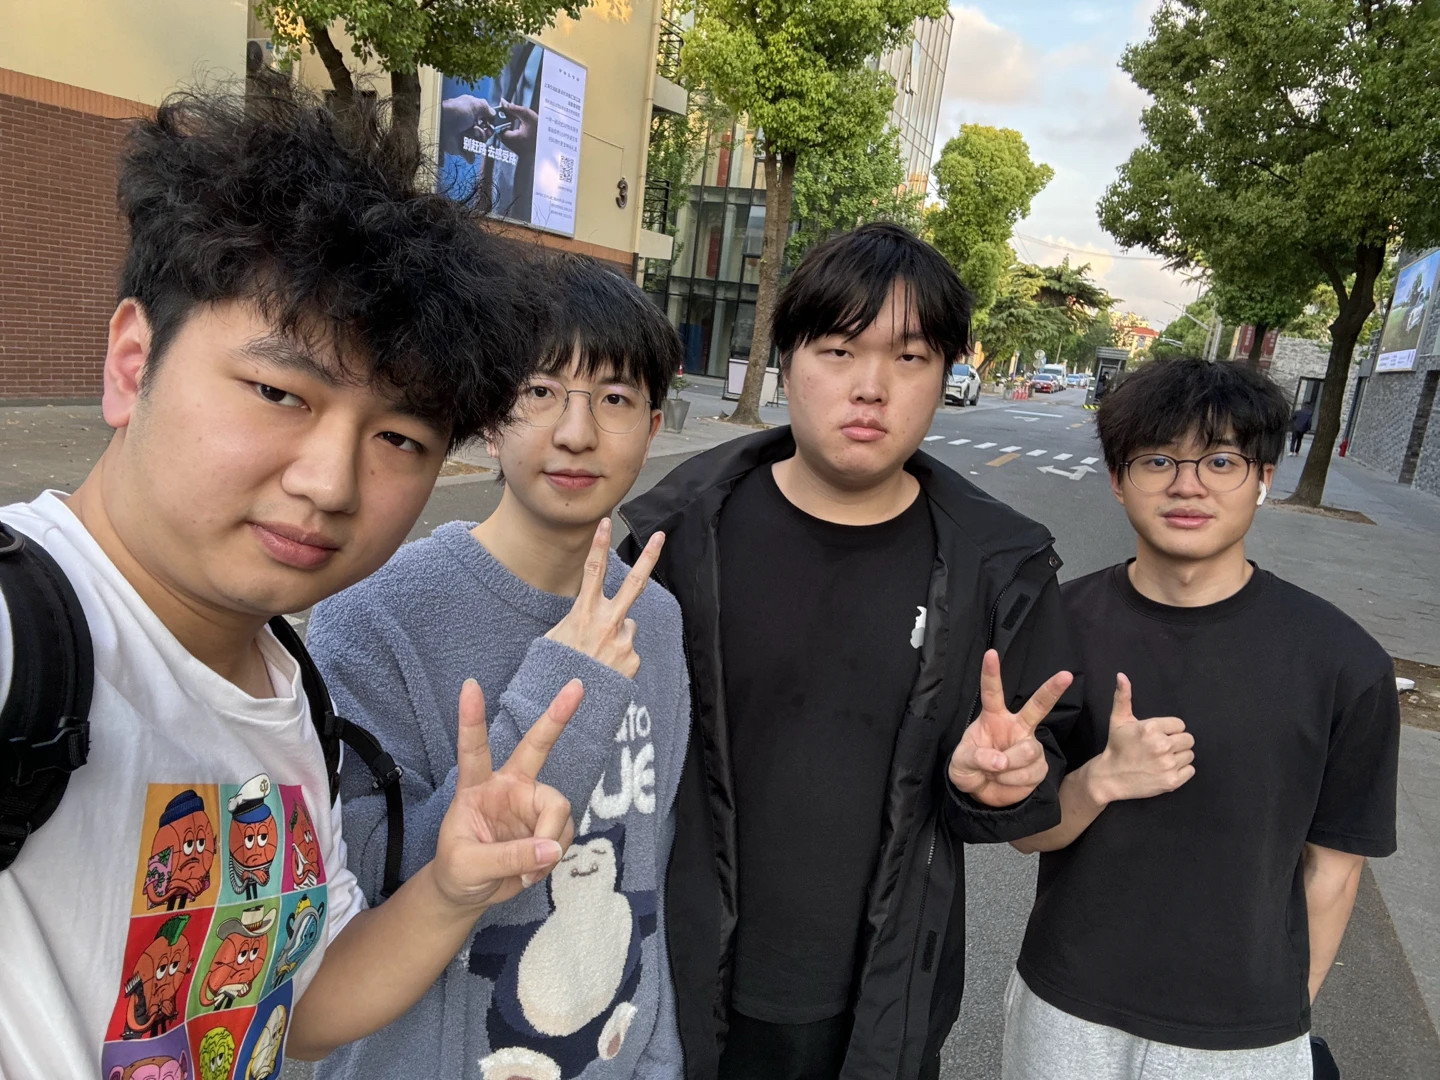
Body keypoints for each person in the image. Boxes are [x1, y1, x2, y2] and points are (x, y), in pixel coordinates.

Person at [0, 83, 579, 1079]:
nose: (330, 483)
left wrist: (452, 887)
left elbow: (292, 1007)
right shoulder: (25, 638)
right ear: (133, 364)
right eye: (278, 392)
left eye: (400, 438)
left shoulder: (289, 690)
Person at [618, 222, 1079, 1080]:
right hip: (678, 985)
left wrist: (1001, 783)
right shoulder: (673, 539)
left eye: (910, 358)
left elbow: (1029, 768)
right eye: (838, 350)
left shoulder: (997, 566)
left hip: (881, 1004)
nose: (871, 387)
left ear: (947, 374)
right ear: (786, 359)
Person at [307, 254, 691, 1080]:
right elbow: (360, 894)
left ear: (654, 426)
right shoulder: (373, 617)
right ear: (488, 417)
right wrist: (562, 683)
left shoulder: (655, 621)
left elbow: (646, 864)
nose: (577, 432)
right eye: (541, 391)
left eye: (615, 398)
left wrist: (656, 1056)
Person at [1005, 358, 1399, 1079]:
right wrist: (1101, 779)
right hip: (1067, 1009)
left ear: (1263, 478)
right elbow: (1028, 834)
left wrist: (1280, 1028)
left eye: (1221, 461)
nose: (1188, 486)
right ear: (1118, 479)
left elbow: (1335, 869)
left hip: (1245, 1037)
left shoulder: (1344, 663)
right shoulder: (1056, 627)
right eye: (1158, 460)